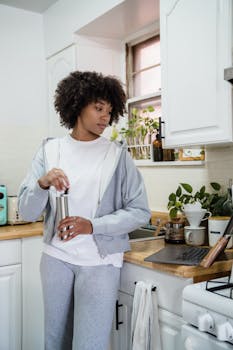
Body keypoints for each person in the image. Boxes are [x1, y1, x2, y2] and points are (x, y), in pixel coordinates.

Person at [18, 70, 151, 350]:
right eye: (98, 108)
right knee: (55, 342)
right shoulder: (49, 151)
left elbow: (140, 212)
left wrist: (91, 225)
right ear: (78, 105)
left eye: (110, 110)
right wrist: (42, 184)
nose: (105, 117)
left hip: (100, 263)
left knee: (89, 345)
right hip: (56, 259)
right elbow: (27, 213)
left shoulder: (117, 155)